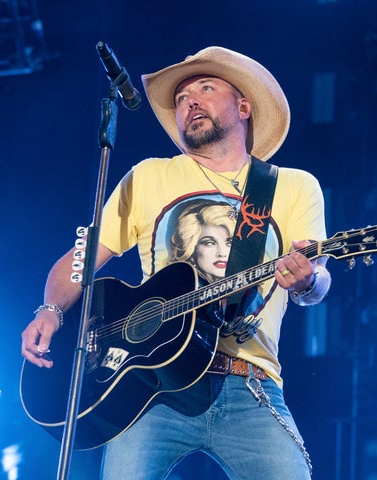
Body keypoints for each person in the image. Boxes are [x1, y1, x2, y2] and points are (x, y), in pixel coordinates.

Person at [21, 46, 332, 480]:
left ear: (244, 106)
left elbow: (316, 284)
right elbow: (81, 259)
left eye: (206, 88)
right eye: (182, 97)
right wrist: (51, 310)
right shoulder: (149, 176)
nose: (191, 101)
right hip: (153, 389)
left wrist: (306, 280)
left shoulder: (293, 187)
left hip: (249, 380)